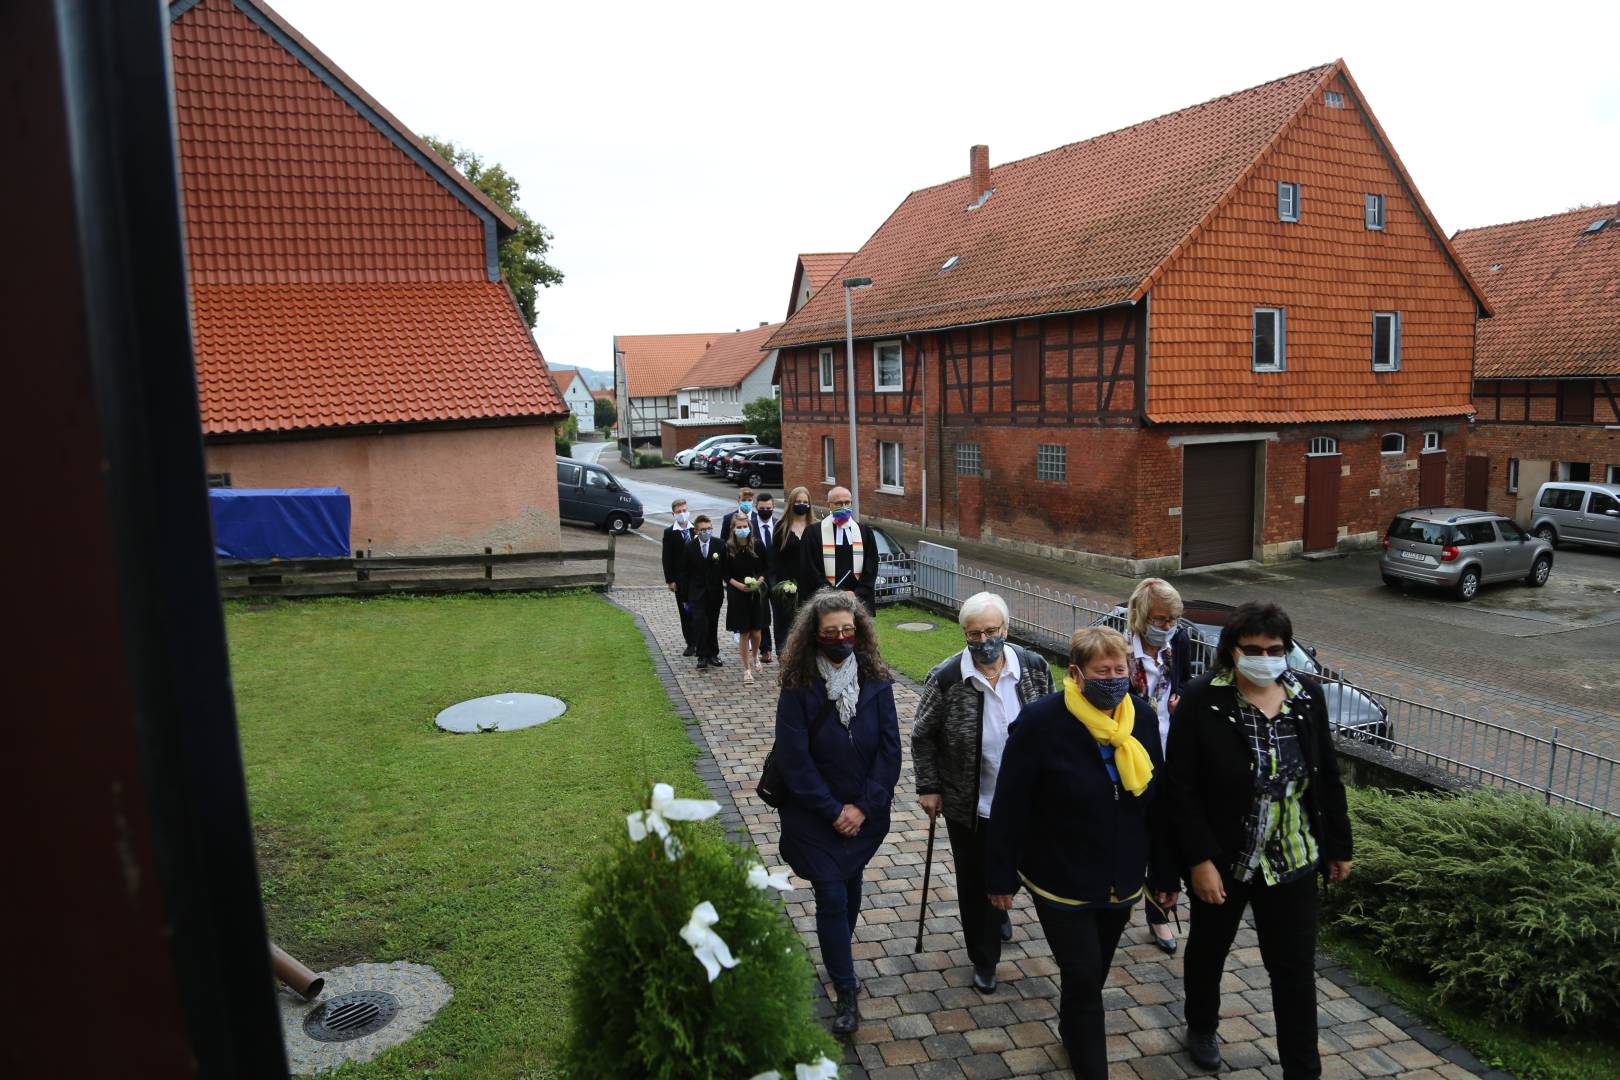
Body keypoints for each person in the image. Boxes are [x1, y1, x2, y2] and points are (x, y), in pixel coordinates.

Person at [1166, 601, 1353, 1078]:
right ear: (1232, 651)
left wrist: (1338, 846)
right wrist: (1199, 859)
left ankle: (1301, 1069)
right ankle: (1202, 1025)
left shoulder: (1306, 696)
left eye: (1276, 649)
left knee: (1293, 970)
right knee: (1210, 949)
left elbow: (1326, 776)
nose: (1266, 657)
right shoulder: (1202, 698)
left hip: (1293, 856)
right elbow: (1181, 787)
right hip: (1227, 857)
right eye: (1254, 649)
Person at [986, 626, 1177, 1080]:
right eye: (1102, 670)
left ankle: (1071, 1026)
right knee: (1085, 974)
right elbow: (1011, 803)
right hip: (1061, 875)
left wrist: (1165, 875)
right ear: (1076, 673)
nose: (1113, 678)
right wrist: (999, 877)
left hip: (1122, 876)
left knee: (1091, 973)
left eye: (1120, 669)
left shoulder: (1143, 721)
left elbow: (1161, 805)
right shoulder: (1040, 722)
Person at [773, 590, 901, 1036]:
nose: (841, 638)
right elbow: (793, 760)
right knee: (830, 895)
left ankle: (836, 954)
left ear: (859, 631)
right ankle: (845, 988)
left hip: (863, 814)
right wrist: (833, 810)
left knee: (851, 886)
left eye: (848, 630)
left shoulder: (877, 681)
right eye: (831, 632)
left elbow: (890, 752)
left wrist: (863, 808)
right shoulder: (798, 686)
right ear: (815, 635)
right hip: (814, 814)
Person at [912, 592, 1052, 994]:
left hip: (1027, 801)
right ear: (965, 635)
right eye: (975, 633)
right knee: (975, 883)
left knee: (1024, 866)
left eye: (992, 631)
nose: (984, 639)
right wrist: (929, 786)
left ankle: (1002, 899)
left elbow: (1047, 722)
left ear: (1005, 630)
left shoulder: (1033, 667)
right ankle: (984, 957)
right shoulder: (947, 677)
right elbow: (922, 736)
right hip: (968, 802)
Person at [1123, 577, 1193, 953]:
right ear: (1141, 615)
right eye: (1161, 619)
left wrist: (1181, 703)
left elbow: (1183, 681)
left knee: (1167, 839)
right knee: (1133, 833)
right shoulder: (1120, 648)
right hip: (1131, 757)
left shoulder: (1178, 643)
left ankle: (1159, 915)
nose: (1167, 627)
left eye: (1173, 619)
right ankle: (1117, 901)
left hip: (1170, 752)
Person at [798, 486, 879, 613]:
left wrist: (856, 593)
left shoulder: (865, 532)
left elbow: (871, 567)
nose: (844, 506)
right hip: (823, 600)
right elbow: (810, 568)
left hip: (856, 600)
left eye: (847, 502)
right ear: (829, 505)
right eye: (839, 503)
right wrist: (833, 594)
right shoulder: (813, 533)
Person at [723, 511, 771, 682]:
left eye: (745, 527)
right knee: (744, 632)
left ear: (750, 528)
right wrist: (738, 585)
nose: (742, 529)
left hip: (757, 593)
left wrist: (759, 582)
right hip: (738, 593)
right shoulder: (728, 548)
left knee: (757, 632)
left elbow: (766, 567)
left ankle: (756, 656)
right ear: (733, 529)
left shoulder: (758, 545)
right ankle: (746, 668)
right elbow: (725, 573)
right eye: (739, 527)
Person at [773, 487, 816, 651]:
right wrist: (781, 584)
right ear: (791, 503)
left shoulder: (815, 527)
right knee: (786, 623)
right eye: (798, 502)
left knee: (807, 623)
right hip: (786, 585)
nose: (802, 505)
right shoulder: (781, 527)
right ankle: (783, 654)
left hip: (810, 584)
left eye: (805, 502)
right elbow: (776, 559)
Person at [681, 514, 725, 669]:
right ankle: (701, 655)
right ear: (696, 531)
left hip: (715, 592)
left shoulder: (719, 545)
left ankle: (713, 653)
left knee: (712, 623)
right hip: (697, 592)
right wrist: (684, 597)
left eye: (709, 528)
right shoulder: (689, 547)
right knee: (700, 622)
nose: (706, 532)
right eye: (703, 529)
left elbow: (725, 568)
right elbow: (685, 573)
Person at [661, 498, 697, 657]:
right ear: (673, 514)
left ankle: (701, 640)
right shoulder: (669, 533)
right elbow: (666, 558)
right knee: (685, 611)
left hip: (697, 579)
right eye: (679, 511)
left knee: (699, 611)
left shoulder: (695, 529)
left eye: (684, 510)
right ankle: (690, 642)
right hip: (681, 581)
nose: (682, 514)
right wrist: (670, 580)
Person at [751, 493, 780, 662]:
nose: (766, 511)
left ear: (773, 507)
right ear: (757, 508)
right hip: (759, 577)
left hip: (777, 577)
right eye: (762, 509)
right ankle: (766, 649)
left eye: (769, 508)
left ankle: (782, 648)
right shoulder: (751, 526)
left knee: (780, 615)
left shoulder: (780, 525)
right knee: (762, 615)